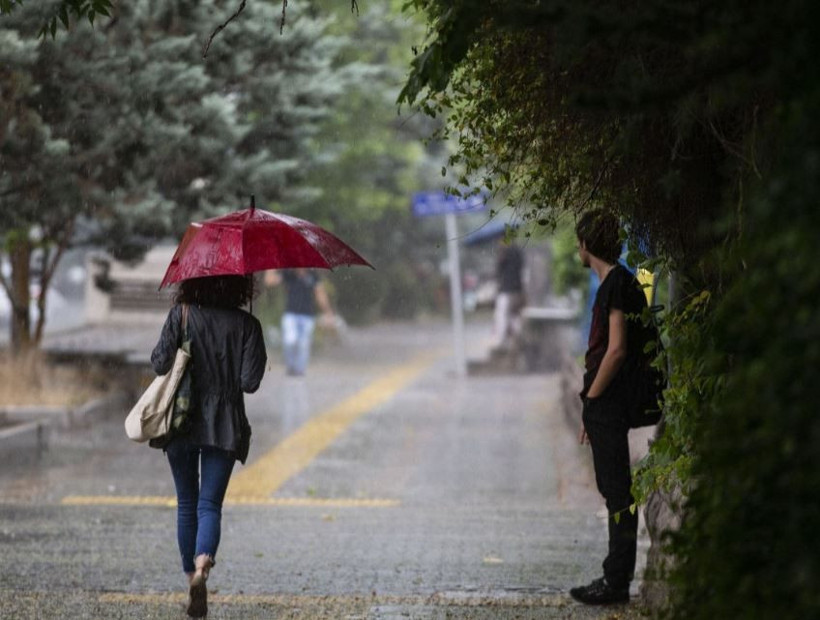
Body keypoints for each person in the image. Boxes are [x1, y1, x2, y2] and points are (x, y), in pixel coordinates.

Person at [151, 275, 267, 618]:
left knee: (187, 503)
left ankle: (191, 577)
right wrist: (248, 340)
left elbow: (159, 363)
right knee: (210, 504)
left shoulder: (181, 314)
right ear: (239, 286)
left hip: (181, 418)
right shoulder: (248, 324)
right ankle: (204, 563)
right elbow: (250, 382)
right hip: (224, 423)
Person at [570, 211, 656, 605]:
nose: (578, 249)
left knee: (618, 492)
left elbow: (617, 349)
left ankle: (616, 582)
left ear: (586, 244)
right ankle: (614, 576)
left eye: (579, 242)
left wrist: (592, 398)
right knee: (614, 490)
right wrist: (590, 407)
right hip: (604, 403)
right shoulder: (616, 282)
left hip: (609, 401)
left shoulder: (617, 284)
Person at [269, 268, 334, 376]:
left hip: (307, 315)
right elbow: (270, 281)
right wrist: (272, 266)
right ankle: (290, 365)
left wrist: (328, 311)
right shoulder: (288, 274)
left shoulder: (313, 276)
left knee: (304, 344)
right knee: (290, 341)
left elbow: (320, 294)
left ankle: (300, 369)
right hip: (290, 314)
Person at [493, 239, 525, 349]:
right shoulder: (518, 251)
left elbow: (499, 269)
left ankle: (502, 341)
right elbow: (521, 268)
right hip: (517, 289)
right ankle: (519, 338)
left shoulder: (504, 251)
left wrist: (501, 251)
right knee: (514, 315)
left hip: (506, 289)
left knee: (502, 315)